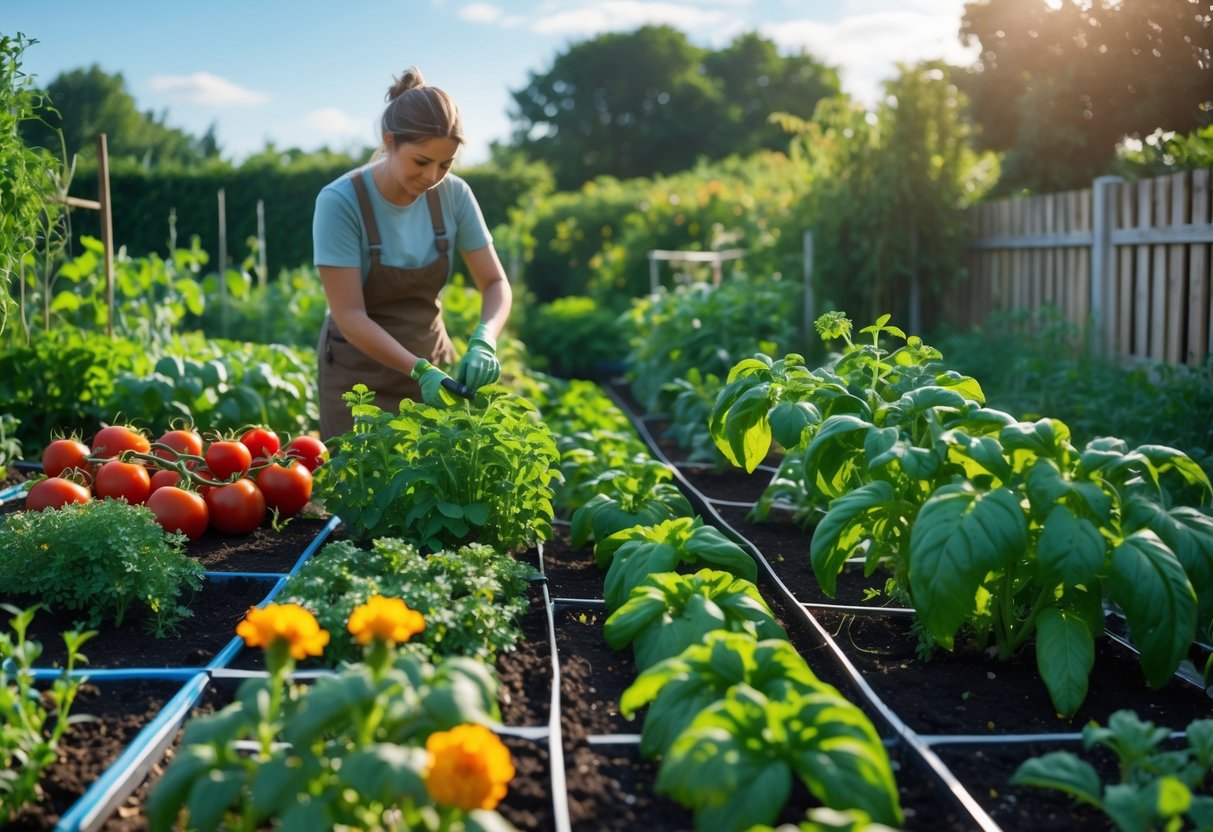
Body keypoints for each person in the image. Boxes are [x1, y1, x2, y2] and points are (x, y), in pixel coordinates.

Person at [312, 66, 512, 439]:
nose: (433, 176)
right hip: (359, 380)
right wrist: (419, 371)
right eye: (421, 161)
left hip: (434, 367)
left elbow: (495, 281)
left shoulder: (455, 195)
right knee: (360, 489)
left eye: (446, 164)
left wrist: (485, 337)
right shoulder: (341, 201)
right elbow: (349, 313)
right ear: (390, 142)